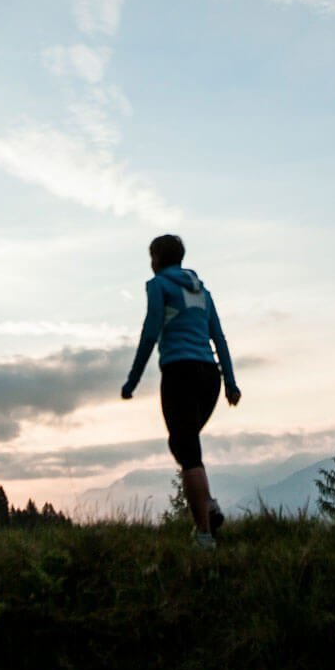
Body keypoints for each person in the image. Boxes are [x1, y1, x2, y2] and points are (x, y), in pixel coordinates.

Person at [123, 234, 241, 549]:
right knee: (183, 444)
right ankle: (210, 508)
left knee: (188, 452)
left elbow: (150, 331)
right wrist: (230, 382)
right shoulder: (204, 293)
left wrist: (133, 380)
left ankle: (204, 535)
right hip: (209, 378)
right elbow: (219, 338)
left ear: (157, 258)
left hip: (180, 374)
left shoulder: (158, 285)